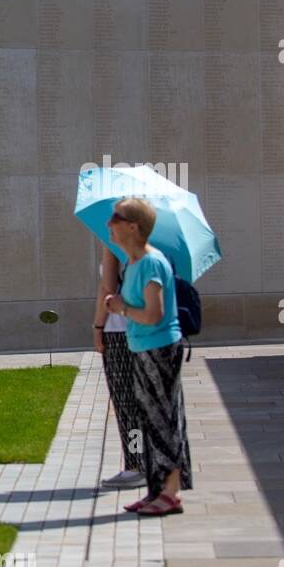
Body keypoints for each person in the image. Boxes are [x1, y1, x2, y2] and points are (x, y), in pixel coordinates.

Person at [103, 197, 192, 516]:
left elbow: (154, 314)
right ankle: (156, 491)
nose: (108, 224)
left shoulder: (153, 263)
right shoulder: (133, 263)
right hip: (142, 349)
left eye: (115, 218)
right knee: (148, 419)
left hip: (159, 350)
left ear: (133, 226)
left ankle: (170, 493)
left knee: (163, 420)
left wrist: (122, 308)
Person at [93, 247, 144, 489]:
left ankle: (135, 465)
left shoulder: (113, 248)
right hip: (142, 332)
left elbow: (106, 290)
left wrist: (97, 328)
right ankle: (145, 463)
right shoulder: (146, 249)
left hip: (118, 332)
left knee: (125, 403)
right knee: (140, 402)